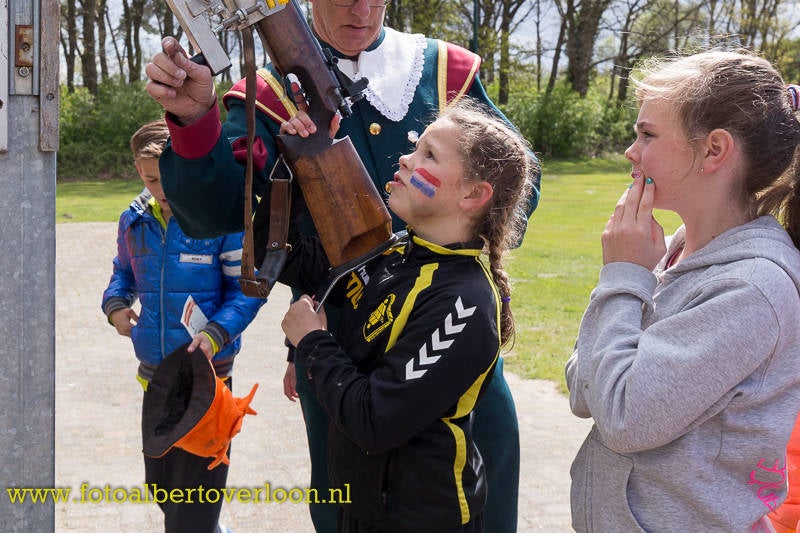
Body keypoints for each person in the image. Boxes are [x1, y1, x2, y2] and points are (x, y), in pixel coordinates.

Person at [145, 2, 540, 531]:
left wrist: (418, 255)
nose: (363, 9)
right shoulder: (271, 93)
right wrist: (196, 120)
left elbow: (517, 185)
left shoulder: (443, 71)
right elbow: (215, 214)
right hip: (338, 357)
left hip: (441, 346)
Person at [565, 50, 800, 531]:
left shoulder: (751, 288)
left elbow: (624, 415)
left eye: (647, 134)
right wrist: (629, 278)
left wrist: (623, 278)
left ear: (715, 150)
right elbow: (583, 387)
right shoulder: (673, 250)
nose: (631, 151)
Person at [278, 99, 535, 532]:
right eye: (418, 149)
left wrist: (312, 343)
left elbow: (375, 420)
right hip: (361, 508)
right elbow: (290, 256)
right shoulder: (396, 250)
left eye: (429, 156)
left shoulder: (464, 303)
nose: (405, 158)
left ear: (474, 195)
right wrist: (308, 155)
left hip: (420, 520)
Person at [101, 118, 264, 533]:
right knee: (163, 488)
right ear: (140, 171)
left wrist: (214, 335)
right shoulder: (132, 220)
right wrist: (116, 305)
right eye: (154, 179)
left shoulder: (220, 219)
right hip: (154, 378)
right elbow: (123, 272)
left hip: (207, 378)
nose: (164, 189)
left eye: (170, 178)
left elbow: (247, 290)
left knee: (194, 504)